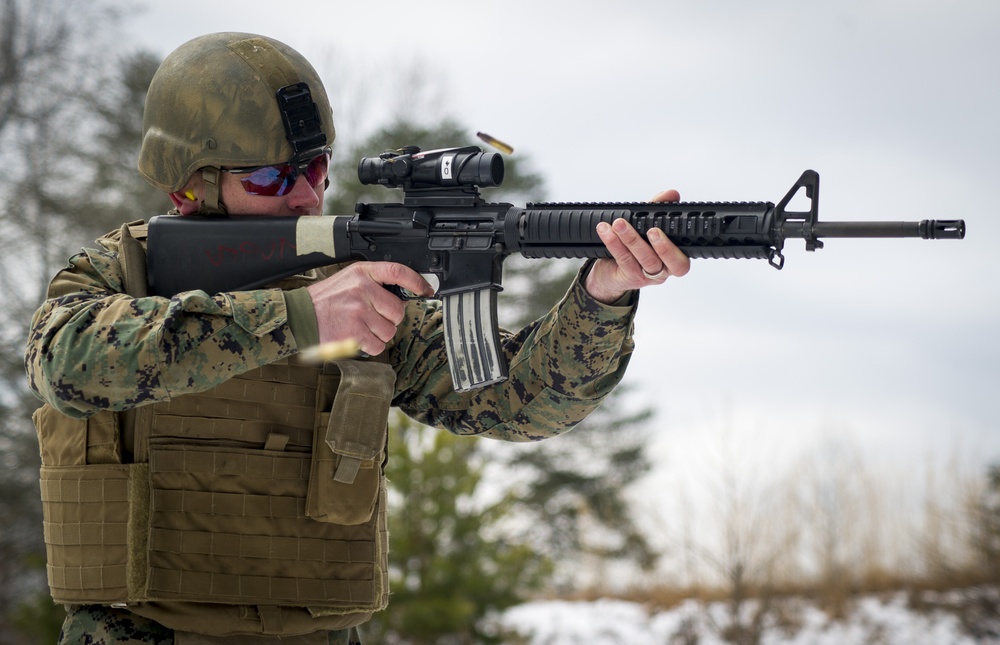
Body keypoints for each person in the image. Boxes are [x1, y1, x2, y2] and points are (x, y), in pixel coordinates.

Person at [24, 32, 690, 644]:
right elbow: (65, 360)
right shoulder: (124, 270)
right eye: (270, 177)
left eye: (316, 169)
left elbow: (515, 398)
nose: (305, 196)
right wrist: (301, 317)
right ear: (189, 184)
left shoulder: (359, 285)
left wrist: (603, 295)